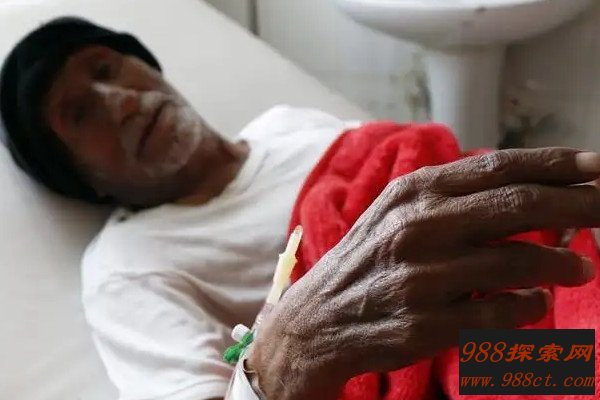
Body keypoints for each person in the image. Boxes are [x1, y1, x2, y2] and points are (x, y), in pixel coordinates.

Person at [1, 17, 599, 400]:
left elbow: (418, 170)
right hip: (467, 356)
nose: (121, 101)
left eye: (105, 70)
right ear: (77, 176)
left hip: (549, 257)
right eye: (80, 114)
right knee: (578, 371)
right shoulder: (128, 264)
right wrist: (288, 346)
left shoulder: (285, 126)